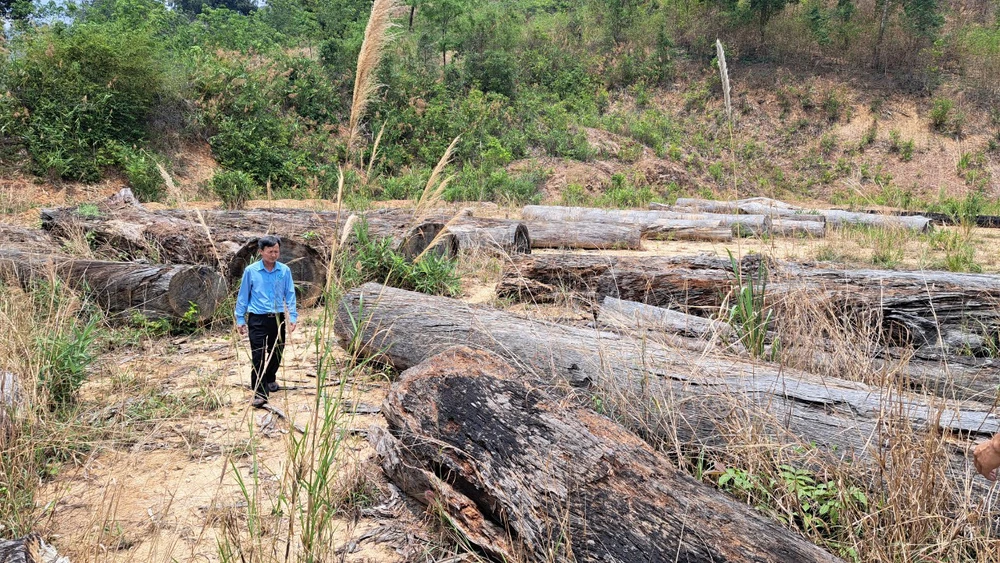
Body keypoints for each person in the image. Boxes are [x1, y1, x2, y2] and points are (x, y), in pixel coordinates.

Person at [234, 236, 297, 408]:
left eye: (276, 251)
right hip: (258, 319)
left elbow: (290, 294)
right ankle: (260, 391)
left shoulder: (284, 271)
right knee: (258, 355)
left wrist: (293, 316)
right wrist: (240, 318)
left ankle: (270, 377)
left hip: (278, 318)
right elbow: (243, 295)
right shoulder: (251, 271)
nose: (274, 255)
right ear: (261, 252)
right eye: (270, 252)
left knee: (277, 351)